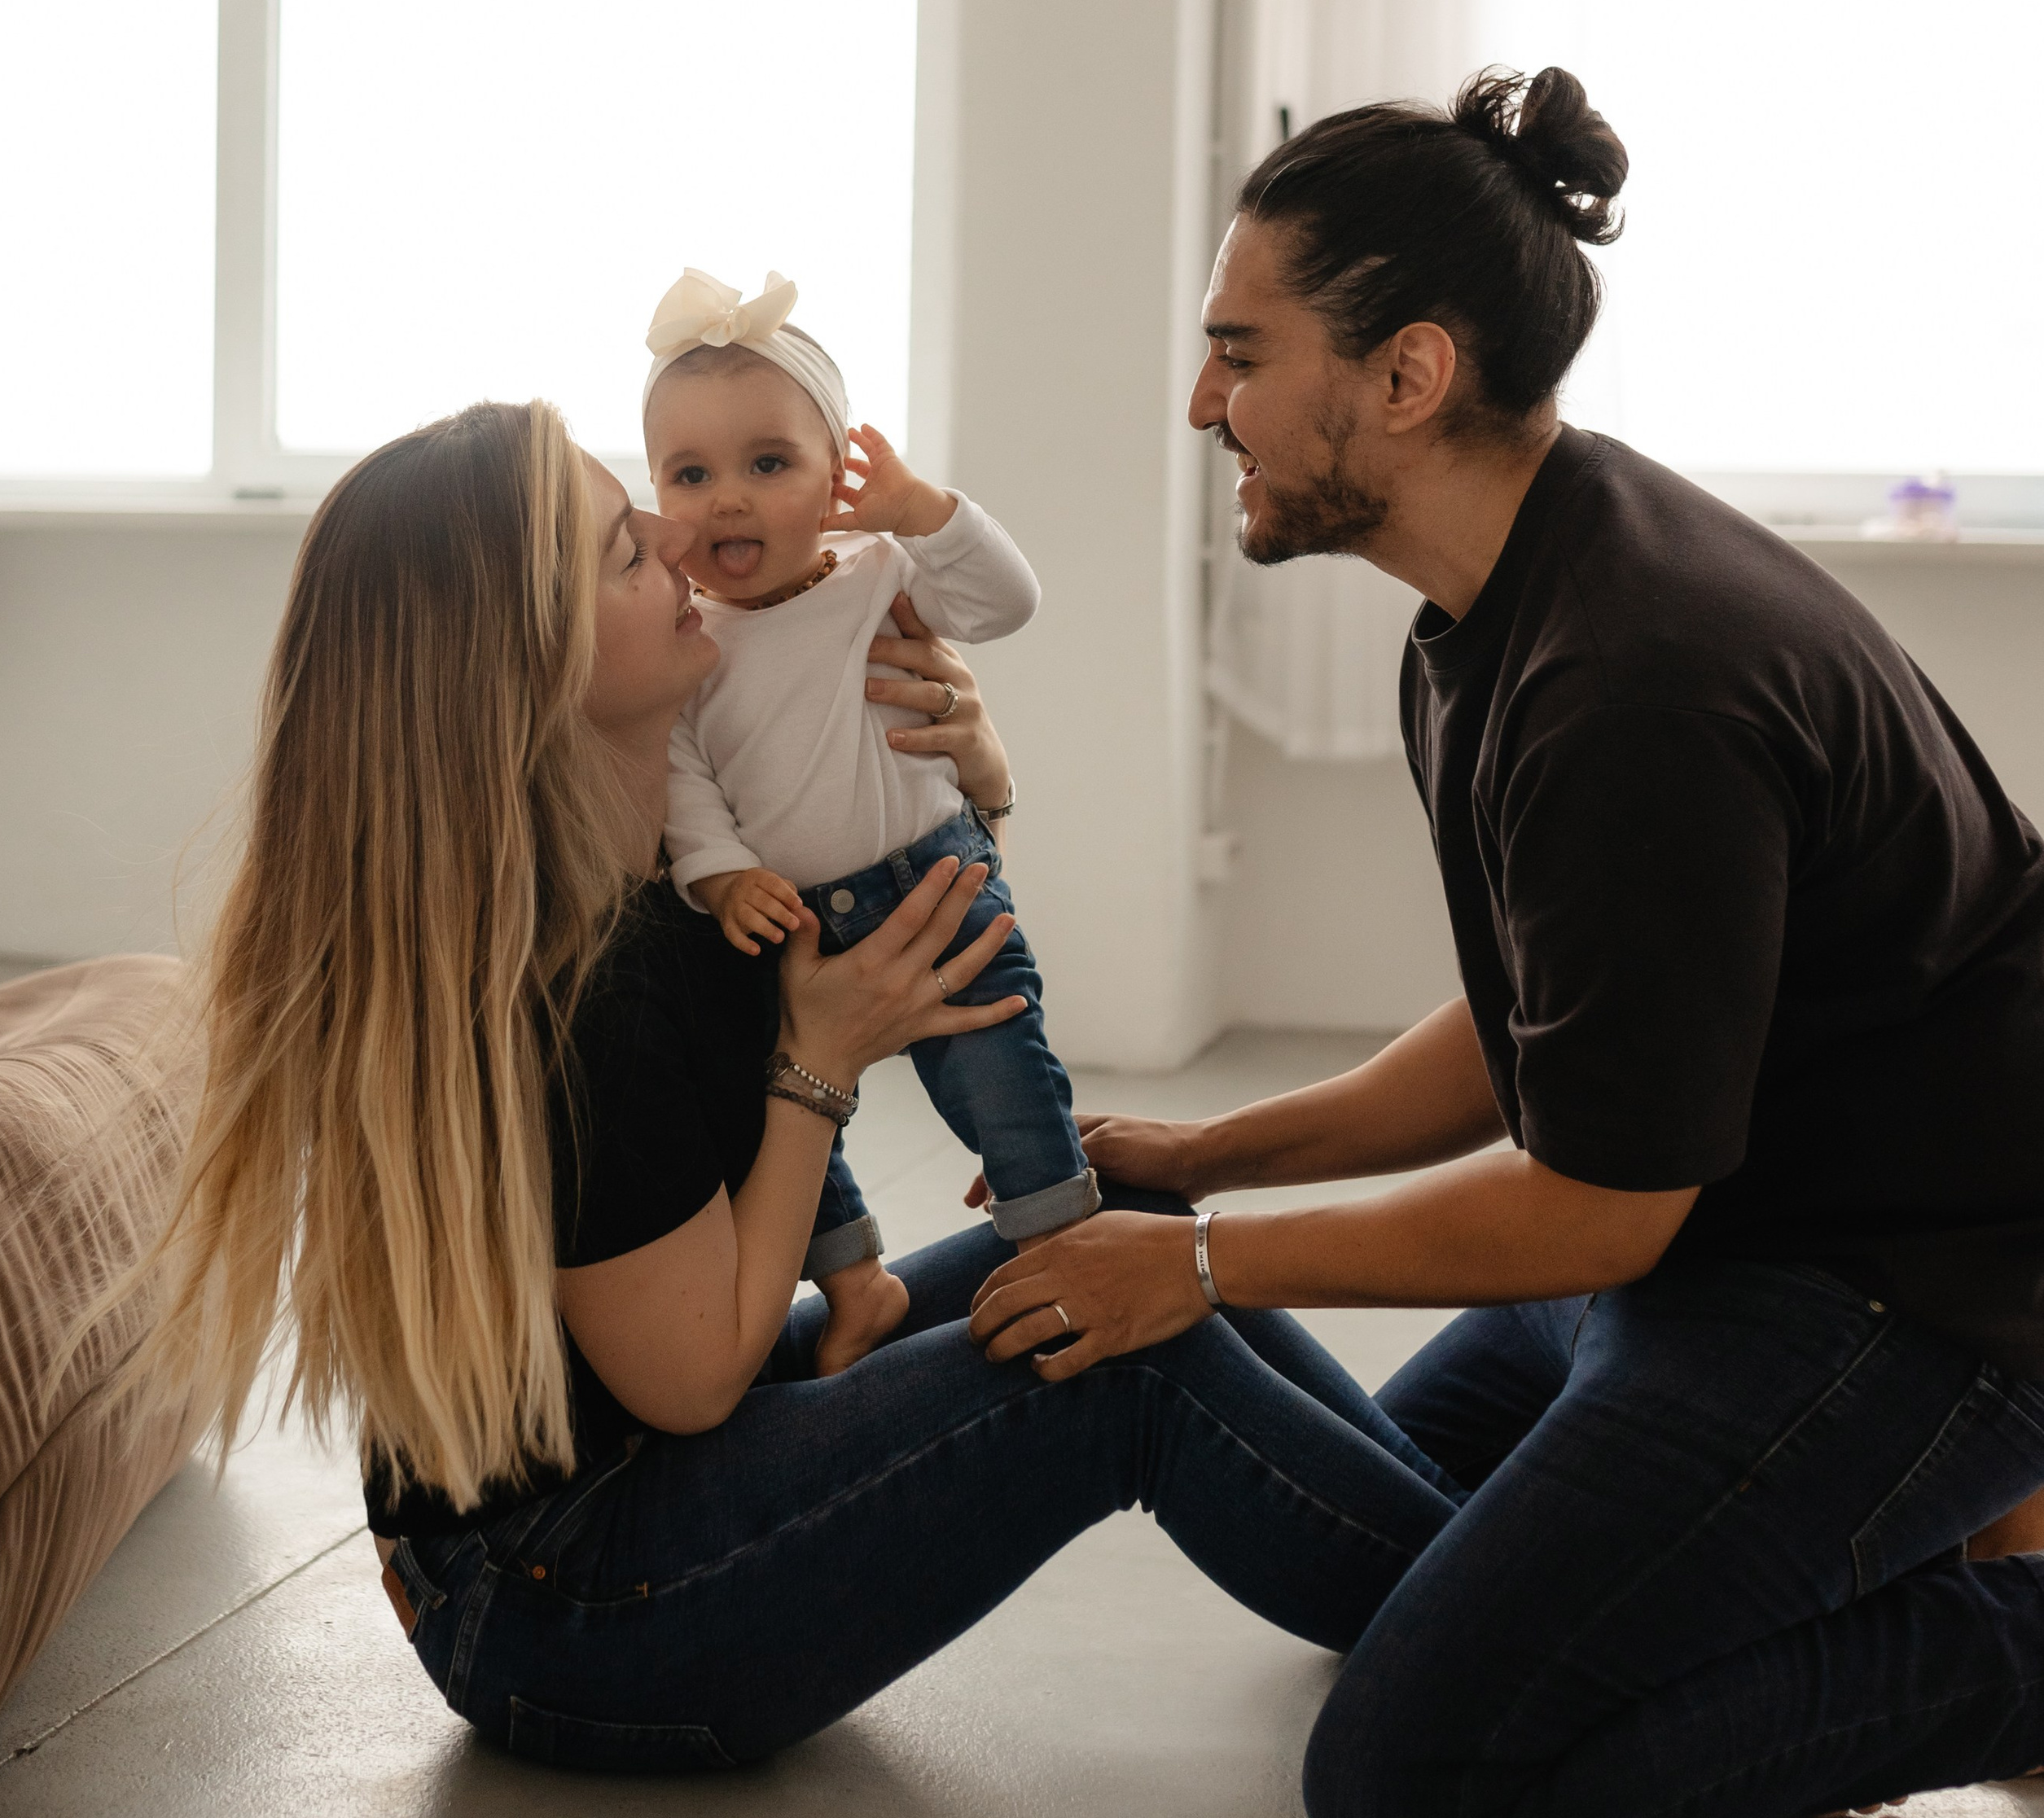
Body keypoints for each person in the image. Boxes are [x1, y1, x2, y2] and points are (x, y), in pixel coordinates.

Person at [970, 67, 2044, 1817]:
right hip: (1704, 1235)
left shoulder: (1631, 681)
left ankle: (2007, 1639)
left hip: (1895, 1295)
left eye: (1240, 352)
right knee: (1377, 1554)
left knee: (1417, 1765)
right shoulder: (1497, 596)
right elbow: (1534, 1022)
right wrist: (1202, 1149)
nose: (1199, 400)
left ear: (1405, 374)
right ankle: (1834, 1563)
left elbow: (1596, 1201)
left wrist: (1204, 1260)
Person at [112, 396, 1464, 1772]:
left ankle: (1477, 1542)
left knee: (1108, 1223)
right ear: (532, 664)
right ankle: (1508, 1620)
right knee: (1124, 1360)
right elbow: (697, 1377)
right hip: (571, 1605)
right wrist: (816, 1067)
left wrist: (978, 779)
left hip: (650, 1486)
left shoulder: (674, 866)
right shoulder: (575, 981)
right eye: (621, 551)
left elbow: (890, 896)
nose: (670, 526)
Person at [641, 267, 1096, 1377]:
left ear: (841, 476)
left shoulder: (879, 573)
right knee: (771, 1110)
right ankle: (855, 1280)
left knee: (997, 1059)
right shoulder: (688, 638)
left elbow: (1007, 605)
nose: (728, 499)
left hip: (930, 877)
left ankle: (1059, 1238)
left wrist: (926, 514)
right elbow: (684, 785)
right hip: (786, 914)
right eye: (689, 475)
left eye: (769, 464)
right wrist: (720, 877)